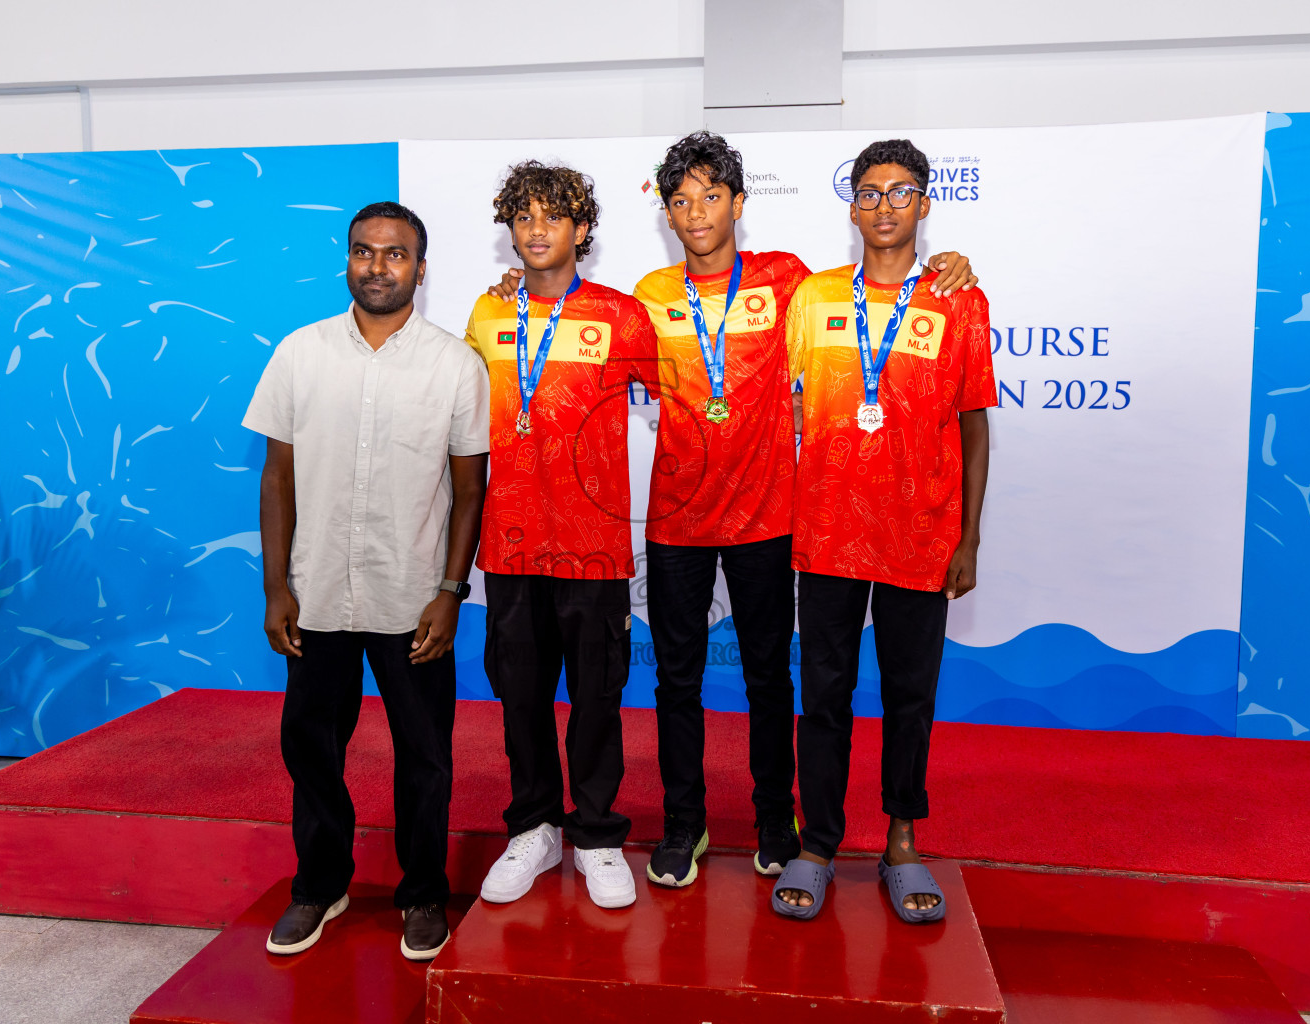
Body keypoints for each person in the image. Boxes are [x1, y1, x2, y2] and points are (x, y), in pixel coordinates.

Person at [488, 132, 978, 890]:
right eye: (681, 201)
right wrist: (512, 295)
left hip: (771, 518)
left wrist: (949, 264)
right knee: (675, 682)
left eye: (712, 197)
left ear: (740, 205)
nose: (697, 213)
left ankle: (777, 822)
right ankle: (685, 822)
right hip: (677, 522)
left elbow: (880, 289)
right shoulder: (647, 299)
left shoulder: (792, 284)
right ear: (666, 212)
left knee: (769, 682)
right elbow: (567, 343)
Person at [244, 202, 489, 961]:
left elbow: (470, 491)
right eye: (364, 252)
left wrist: (450, 594)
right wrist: (276, 588)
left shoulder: (455, 364)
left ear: (420, 267)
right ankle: (320, 884)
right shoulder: (299, 353)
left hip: (411, 599)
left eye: (394, 254)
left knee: (425, 754)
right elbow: (277, 476)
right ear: (346, 260)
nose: (377, 267)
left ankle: (423, 894)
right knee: (311, 748)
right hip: (316, 594)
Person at [773, 139, 995, 923]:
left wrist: (967, 537)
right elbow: (785, 398)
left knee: (910, 695)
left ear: (925, 204)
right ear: (853, 204)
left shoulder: (959, 300)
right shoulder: (813, 297)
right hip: (828, 527)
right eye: (868, 193)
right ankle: (819, 842)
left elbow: (973, 425)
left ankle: (902, 837)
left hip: (920, 531)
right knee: (824, 696)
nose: (883, 207)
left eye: (900, 193)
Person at [466, 161, 662, 910]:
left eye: (554, 216)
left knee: (596, 698)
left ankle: (600, 835)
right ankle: (534, 828)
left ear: (582, 229)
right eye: (523, 217)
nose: (537, 229)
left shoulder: (623, 316)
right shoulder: (488, 316)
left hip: (596, 546)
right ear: (510, 230)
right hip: (510, 542)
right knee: (520, 698)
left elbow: (683, 400)